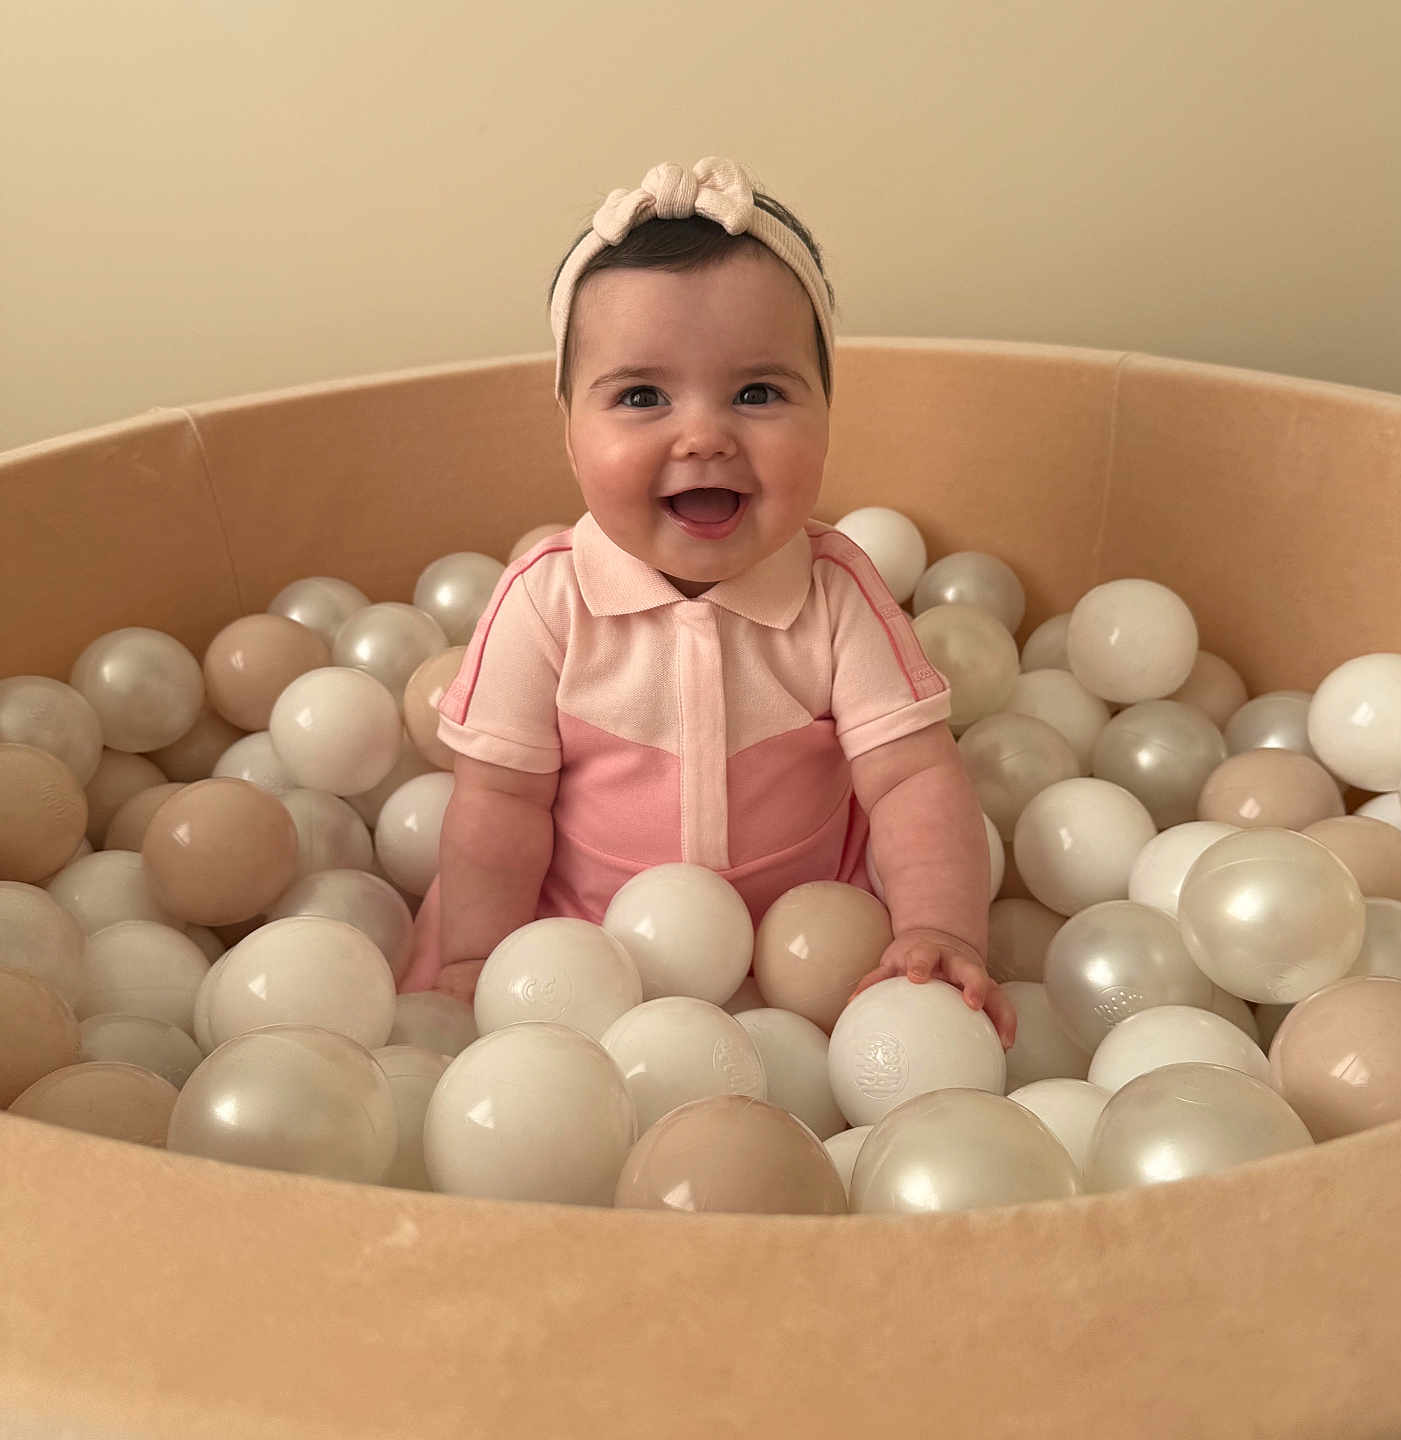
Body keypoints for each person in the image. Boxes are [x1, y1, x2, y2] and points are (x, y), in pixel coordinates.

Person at [398, 156, 1017, 1050]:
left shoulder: (839, 594)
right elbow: (496, 805)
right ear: (571, 432)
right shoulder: (544, 599)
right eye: (642, 396)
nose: (704, 436)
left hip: (811, 944)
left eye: (757, 393)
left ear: (829, 416)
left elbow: (915, 780)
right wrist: (476, 962)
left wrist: (942, 931)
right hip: (583, 940)